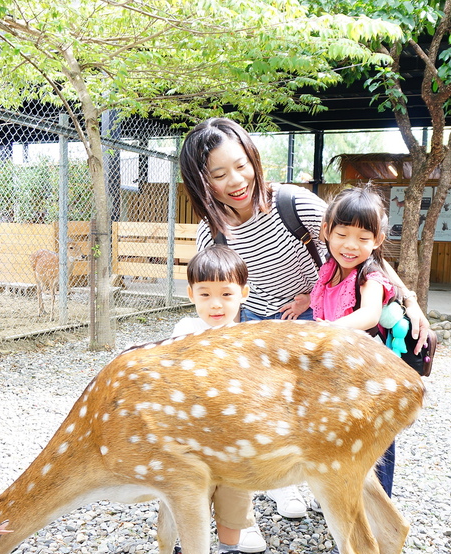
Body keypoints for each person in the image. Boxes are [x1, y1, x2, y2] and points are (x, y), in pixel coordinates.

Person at [179, 117, 431, 522]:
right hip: (260, 325)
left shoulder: (293, 203)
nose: (236, 180)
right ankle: (287, 484)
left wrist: (411, 302)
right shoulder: (212, 235)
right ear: (202, 182)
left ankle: (369, 501)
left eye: (241, 165)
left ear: (254, 158)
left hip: (323, 317)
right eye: (219, 174)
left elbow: (364, 252)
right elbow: (220, 293)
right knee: (271, 409)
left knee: (350, 407)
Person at [309, 185, 402, 554]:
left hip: (368, 380)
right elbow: (320, 303)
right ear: (327, 231)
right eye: (343, 234)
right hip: (338, 378)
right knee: (342, 447)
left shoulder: (370, 274)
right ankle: (343, 506)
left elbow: (367, 315)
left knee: (372, 450)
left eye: (363, 238)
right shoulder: (329, 269)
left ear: (377, 240)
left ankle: (368, 523)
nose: (351, 245)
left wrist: (327, 331)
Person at [167, 246, 261, 554]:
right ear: (191, 294)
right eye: (205, 294)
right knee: (189, 494)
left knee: (234, 496)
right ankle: (183, 549)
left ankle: (229, 553)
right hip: (191, 439)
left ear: (243, 294)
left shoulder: (249, 337)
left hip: (235, 440)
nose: (216, 304)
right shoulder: (185, 330)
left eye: (226, 294)